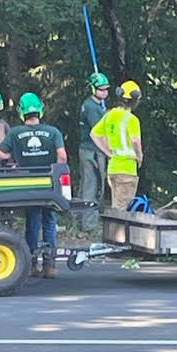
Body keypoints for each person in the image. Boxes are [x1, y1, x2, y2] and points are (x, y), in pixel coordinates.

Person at [0, 92, 67, 278]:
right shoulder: (53, 132)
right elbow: (62, 156)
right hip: (49, 183)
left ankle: (32, 264)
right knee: (49, 221)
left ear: (22, 112)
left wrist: (15, 159)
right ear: (40, 110)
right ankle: (50, 266)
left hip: (28, 184)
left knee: (33, 222)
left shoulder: (16, 133)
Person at [90, 80, 143, 210]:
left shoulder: (109, 115)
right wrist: (139, 156)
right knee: (123, 212)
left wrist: (108, 152)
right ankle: (118, 231)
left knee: (116, 207)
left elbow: (94, 134)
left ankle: (114, 230)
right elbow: (136, 141)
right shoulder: (131, 119)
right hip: (127, 170)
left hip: (113, 169)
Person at [78, 72, 110, 232]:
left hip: (93, 150)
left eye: (106, 89)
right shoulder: (91, 107)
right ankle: (89, 224)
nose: (104, 92)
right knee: (93, 187)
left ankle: (81, 219)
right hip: (92, 152)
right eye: (101, 89)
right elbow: (98, 132)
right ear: (93, 89)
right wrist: (108, 150)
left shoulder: (97, 106)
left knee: (88, 185)